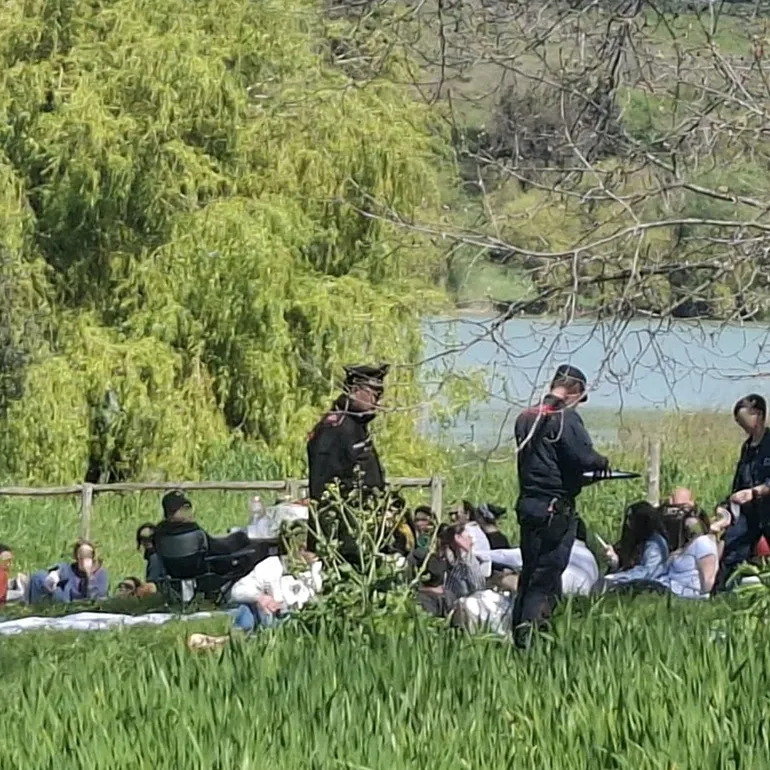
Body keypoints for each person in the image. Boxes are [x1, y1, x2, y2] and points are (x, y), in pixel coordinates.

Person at [511, 363, 610, 648]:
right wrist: (602, 462)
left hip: (528, 505)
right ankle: (533, 643)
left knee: (529, 575)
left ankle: (519, 636)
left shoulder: (525, 416)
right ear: (574, 392)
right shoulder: (564, 418)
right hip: (555, 509)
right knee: (546, 579)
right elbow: (584, 458)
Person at [306, 364, 389, 562]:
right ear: (354, 390)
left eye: (379, 394)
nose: (376, 400)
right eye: (372, 393)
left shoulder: (355, 425)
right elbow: (323, 485)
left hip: (361, 528)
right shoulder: (335, 427)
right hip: (341, 534)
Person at [714, 394, 770, 591]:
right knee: (732, 547)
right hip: (748, 512)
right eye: (739, 422)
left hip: (767, 509)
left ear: (759, 415)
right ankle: (722, 591)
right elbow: (739, 483)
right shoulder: (746, 448)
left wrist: (757, 491)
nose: (742, 426)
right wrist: (726, 507)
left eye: (744, 420)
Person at [600, 502, 669, 587]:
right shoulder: (635, 540)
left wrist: (616, 577)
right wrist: (615, 562)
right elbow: (626, 565)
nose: (629, 524)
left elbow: (648, 572)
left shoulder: (655, 545)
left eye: (632, 520)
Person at [28, 540, 109, 604]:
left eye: (87, 557)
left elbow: (95, 598)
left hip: (79, 606)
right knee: (38, 577)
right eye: (80, 557)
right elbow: (63, 569)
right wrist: (55, 574)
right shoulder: (73, 569)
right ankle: (36, 609)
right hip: (65, 599)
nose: (83, 561)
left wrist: (89, 574)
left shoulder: (100, 574)